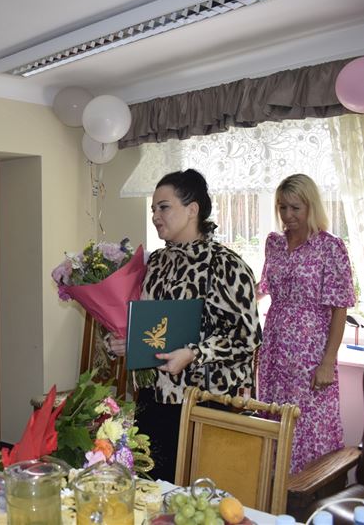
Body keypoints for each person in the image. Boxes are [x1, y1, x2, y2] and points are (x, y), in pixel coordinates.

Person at [109, 169, 260, 482]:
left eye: (164, 207)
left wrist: (194, 354)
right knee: (151, 487)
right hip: (153, 397)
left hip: (203, 402)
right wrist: (127, 341)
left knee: (193, 493)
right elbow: (152, 325)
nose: (155, 216)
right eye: (153, 209)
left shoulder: (226, 265)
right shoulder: (156, 263)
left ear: (193, 210)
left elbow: (246, 338)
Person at [257, 173, 355, 474]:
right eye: (282, 207)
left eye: (295, 208)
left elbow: (340, 308)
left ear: (311, 206)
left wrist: (328, 361)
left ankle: (308, 489)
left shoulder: (330, 247)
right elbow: (263, 289)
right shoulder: (274, 243)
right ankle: (274, 488)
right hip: (274, 348)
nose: (288, 215)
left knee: (310, 422)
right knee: (274, 415)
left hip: (310, 352)